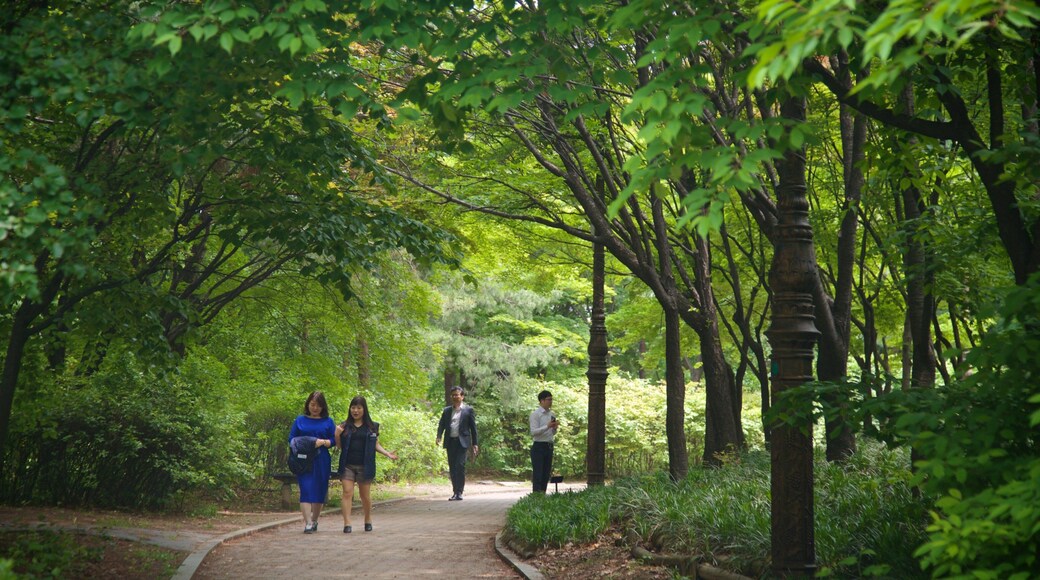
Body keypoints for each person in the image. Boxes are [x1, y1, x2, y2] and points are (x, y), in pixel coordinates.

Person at [335, 395, 398, 533]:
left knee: (365, 496)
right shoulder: (344, 426)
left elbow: (375, 444)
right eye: (353, 407)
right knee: (347, 492)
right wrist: (337, 434)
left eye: (358, 408)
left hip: (365, 465)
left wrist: (387, 453)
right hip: (347, 465)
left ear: (364, 409)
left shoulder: (372, 426)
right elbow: (339, 446)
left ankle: (368, 519)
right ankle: (347, 523)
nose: (355, 411)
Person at [289, 391, 336, 533]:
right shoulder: (300, 420)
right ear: (308, 404)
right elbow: (291, 439)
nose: (315, 408)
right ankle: (307, 522)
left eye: (319, 406)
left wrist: (326, 442)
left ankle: (315, 520)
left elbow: (334, 440)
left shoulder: (328, 421)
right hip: (303, 460)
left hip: (321, 459)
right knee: (306, 489)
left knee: (319, 490)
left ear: (323, 407)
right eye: (313, 405)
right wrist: (308, 443)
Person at [435, 386, 478, 501]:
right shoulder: (447, 410)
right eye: (453, 395)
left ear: (462, 396)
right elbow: (442, 424)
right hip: (450, 442)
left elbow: (473, 428)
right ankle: (455, 492)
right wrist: (439, 436)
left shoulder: (468, 410)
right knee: (452, 467)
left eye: (457, 395)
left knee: (460, 466)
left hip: (462, 443)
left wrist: (475, 444)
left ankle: (460, 492)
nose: (455, 397)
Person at [529, 390, 559, 493]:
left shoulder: (552, 414)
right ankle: (536, 496)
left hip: (549, 445)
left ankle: (543, 494)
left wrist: (554, 428)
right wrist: (547, 426)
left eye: (551, 399)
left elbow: (552, 433)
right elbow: (533, 432)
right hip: (538, 446)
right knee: (538, 473)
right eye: (548, 399)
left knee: (546, 473)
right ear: (542, 401)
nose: (551, 401)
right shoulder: (535, 415)